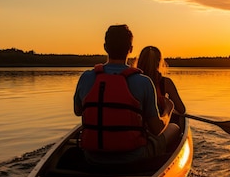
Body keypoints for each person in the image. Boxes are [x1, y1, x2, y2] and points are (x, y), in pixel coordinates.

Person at [73, 24, 179, 165]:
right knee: (175, 128)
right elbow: (157, 129)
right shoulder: (143, 82)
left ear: (105, 47)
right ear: (130, 49)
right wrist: (168, 109)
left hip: (92, 156)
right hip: (134, 157)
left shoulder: (86, 77)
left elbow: (78, 111)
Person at [136, 45, 186, 115]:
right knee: (174, 126)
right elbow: (181, 109)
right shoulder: (166, 82)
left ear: (140, 61)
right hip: (157, 124)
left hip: (135, 122)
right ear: (159, 61)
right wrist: (168, 106)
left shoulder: (132, 79)